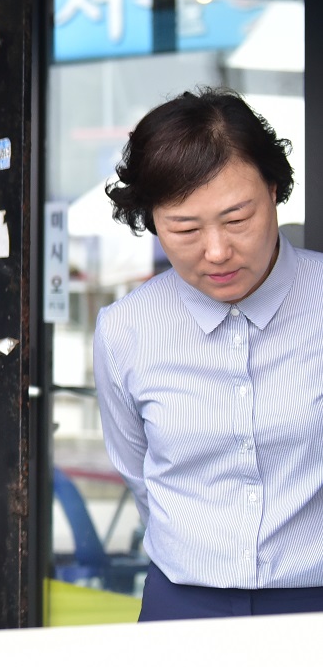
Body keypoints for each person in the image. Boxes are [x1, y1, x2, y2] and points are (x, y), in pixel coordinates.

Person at [95, 87, 323, 621]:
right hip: (183, 602)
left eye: (238, 219)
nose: (217, 251)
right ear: (153, 221)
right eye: (186, 228)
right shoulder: (126, 328)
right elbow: (136, 470)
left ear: (274, 190)